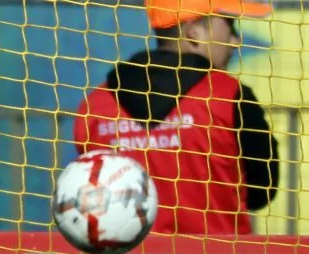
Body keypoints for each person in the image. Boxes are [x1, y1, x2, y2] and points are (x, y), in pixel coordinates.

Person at [74, 0, 279, 235]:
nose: (236, 40)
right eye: (230, 26)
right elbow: (261, 192)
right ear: (195, 33)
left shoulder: (97, 103)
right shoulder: (229, 96)